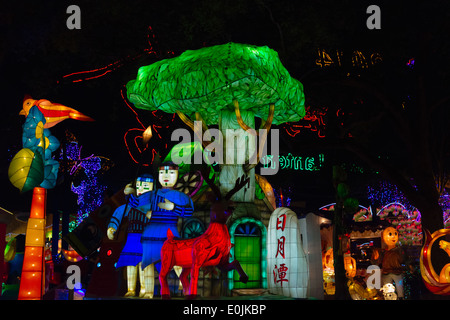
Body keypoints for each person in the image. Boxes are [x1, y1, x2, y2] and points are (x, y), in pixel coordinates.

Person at [140, 161, 194, 298]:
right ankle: (148, 291)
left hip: (170, 231)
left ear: (177, 175)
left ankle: (184, 286)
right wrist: (128, 195)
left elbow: (189, 212)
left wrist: (173, 208)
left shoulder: (181, 196)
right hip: (152, 231)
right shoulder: (152, 194)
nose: (166, 176)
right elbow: (136, 202)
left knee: (177, 260)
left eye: (171, 173)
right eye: (162, 172)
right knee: (148, 262)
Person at [107, 173, 154, 298]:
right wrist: (112, 226)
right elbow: (119, 212)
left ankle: (145, 289)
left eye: (145, 186)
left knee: (144, 265)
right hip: (132, 237)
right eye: (139, 186)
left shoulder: (152, 204)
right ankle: (131, 289)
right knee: (130, 264)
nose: (141, 189)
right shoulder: (130, 205)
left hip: (146, 238)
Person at [371, 226, 406, 299]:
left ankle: (400, 298)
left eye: (395, 234)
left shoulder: (399, 250)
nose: (393, 236)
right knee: (388, 292)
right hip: (386, 273)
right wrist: (375, 257)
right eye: (390, 234)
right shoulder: (383, 252)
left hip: (397, 272)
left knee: (400, 291)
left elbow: (403, 260)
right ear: (384, 237)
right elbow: (376, 262)